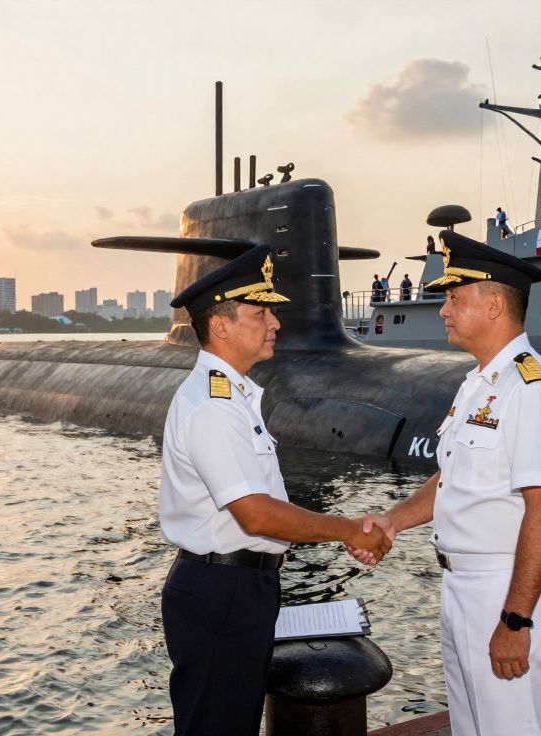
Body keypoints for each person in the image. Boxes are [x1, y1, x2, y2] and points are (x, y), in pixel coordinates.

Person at [350, 230, 541, 736]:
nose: (443, 309)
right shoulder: (479, 384)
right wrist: (393, 520)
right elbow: (454, 476)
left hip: (505, 590)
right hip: (462, 588)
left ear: (494, 305)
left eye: (454, 297)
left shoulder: (529, 388)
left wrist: (515, 621)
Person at [160, 244, 392, 736]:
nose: (275, 323)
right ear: (220, 325)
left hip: (239, 586)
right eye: (260, 311)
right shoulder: (214, 405)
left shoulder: (236, 398)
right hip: (221, 589)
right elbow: (258, 516)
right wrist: (348, 528)